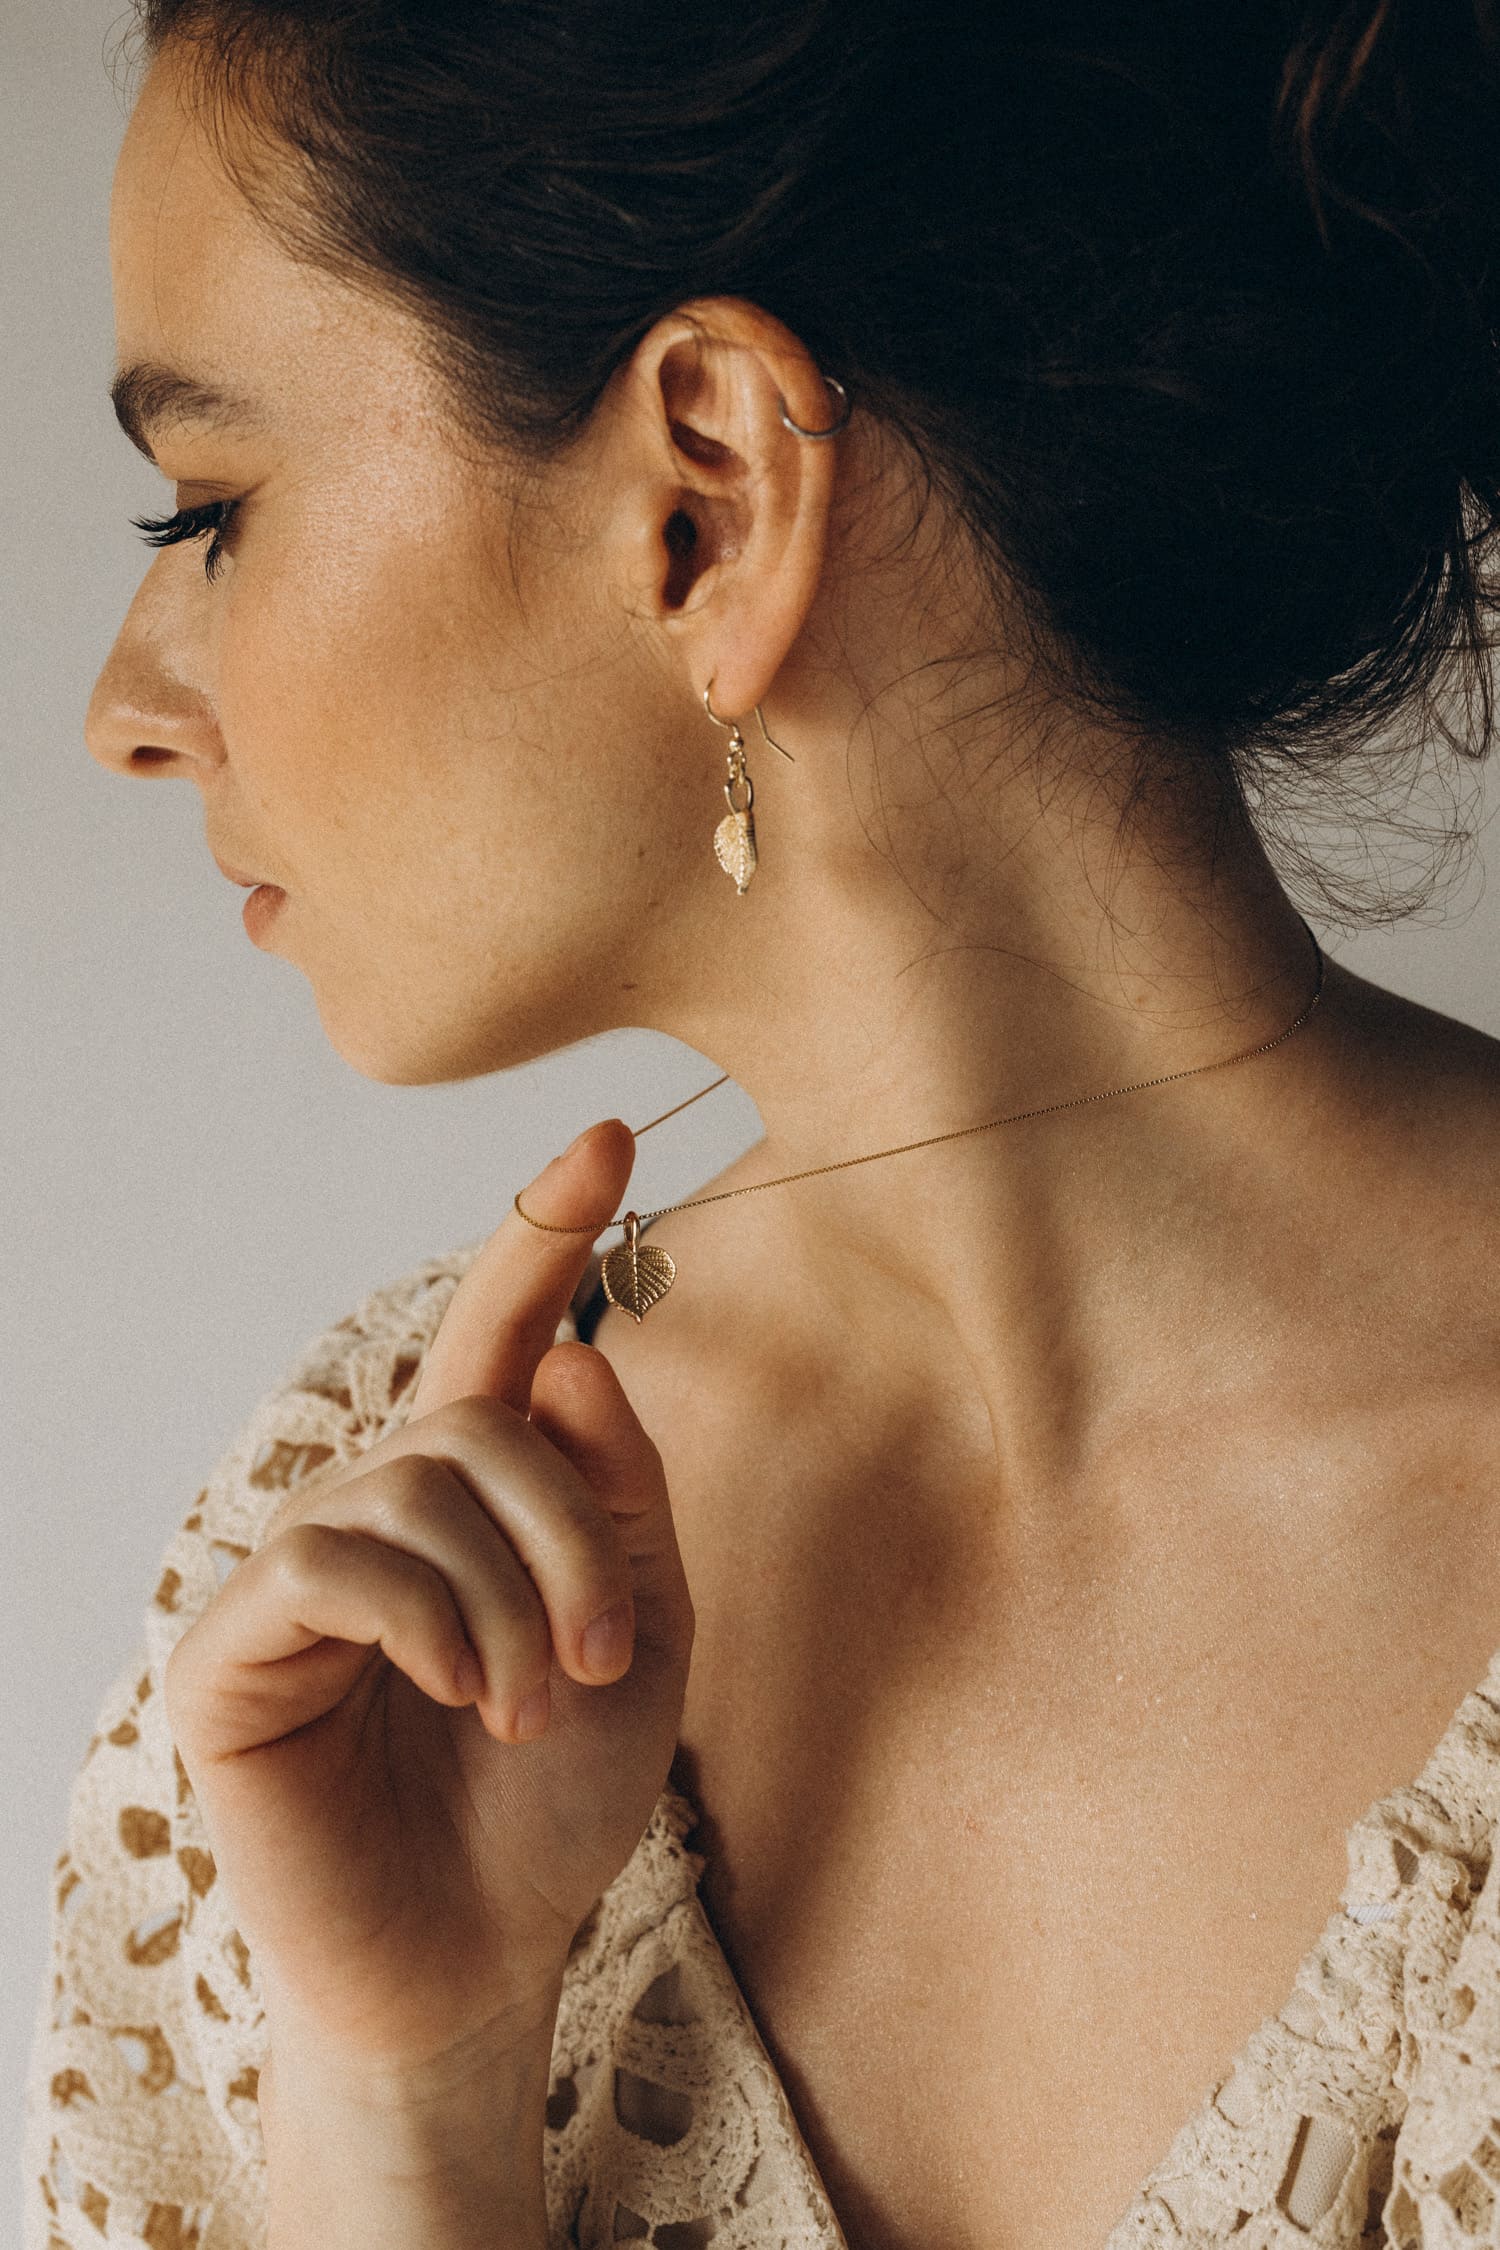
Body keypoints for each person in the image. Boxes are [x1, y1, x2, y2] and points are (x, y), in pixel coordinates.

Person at [25, 2, 1500, 2245]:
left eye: (213, 509)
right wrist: (408, 2101)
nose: (127, 710)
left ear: (702, 498)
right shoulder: (349, 1599)